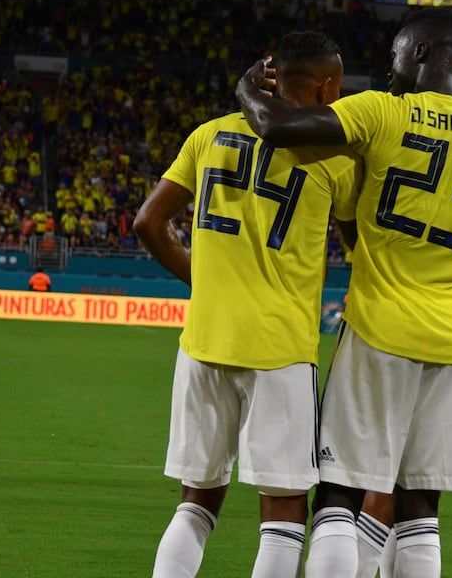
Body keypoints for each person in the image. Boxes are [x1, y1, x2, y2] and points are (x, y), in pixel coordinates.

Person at [235, 8, 452, 578]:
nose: (390, 69)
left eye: (396, 56)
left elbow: (276, 127)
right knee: (419, 507)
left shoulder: (381, 111)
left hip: (378, 331)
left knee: (339, 494)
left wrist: (247, 91)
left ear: (419, 53)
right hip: (448, 344)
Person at [134, 31, 359, 578]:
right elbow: (361, 246)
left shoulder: (208, 135)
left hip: (204, 341)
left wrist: (204, 280)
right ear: (327, 86)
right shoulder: (333, 156)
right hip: (280, 349)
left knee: (195, 503)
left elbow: (147, 222)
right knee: (283, 514)